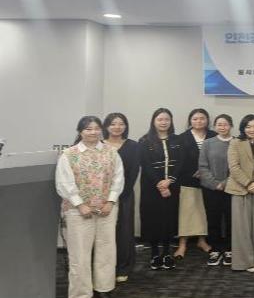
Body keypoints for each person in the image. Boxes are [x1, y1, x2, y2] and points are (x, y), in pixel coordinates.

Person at [56, 116, 124, 298]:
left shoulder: (111, 152)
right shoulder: (69, 154)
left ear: (101, 130)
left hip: (107, 210)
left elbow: (118, 178)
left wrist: (110, 201)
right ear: (80, 132)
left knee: (106, 250)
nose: (93, 132)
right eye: (88, 129)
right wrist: (80, 204)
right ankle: (81, 293)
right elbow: (64, 183)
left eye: (96, 128)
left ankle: (104, 288)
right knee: (79, 254)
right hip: (77, 212)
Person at [139, 108, 183, 271]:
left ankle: (166, 252)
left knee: (169, 219)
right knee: (153, 219)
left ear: (171, 121)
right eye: (160, 119)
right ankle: (154, 253)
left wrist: (169, 181)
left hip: (172, 187)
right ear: (154, 121)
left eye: (167, 119)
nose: (163, 122)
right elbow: (145, 165)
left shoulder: (177, 140)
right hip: (151, 188)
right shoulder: (144, 141)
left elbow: (181, 162)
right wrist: (159, 183)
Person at [225, 114, 254, 272]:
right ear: (243, 128)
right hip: (239, 189)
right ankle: (244, 262)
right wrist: (248, 183)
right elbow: (234, 167)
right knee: (241, 229)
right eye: (248, 126)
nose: (252, 129)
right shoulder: (235, 142)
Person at [102, 113, 140, 283]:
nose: (117, 127)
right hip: (100, 197)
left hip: (125, 195)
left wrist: (119, 194)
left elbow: (133, 172)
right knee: (104, 233)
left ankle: (123, 267)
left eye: (121, 124)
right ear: (106, 126)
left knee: (124, 231)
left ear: (126, 126)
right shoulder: (99, 145)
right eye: (113, 124)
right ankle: (104, 268)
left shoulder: (133, 146)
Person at [174, 108, 216, 259]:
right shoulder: (182, 138)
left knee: (205, 212)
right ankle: (182, 244)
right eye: (195, 118)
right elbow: (178, 160)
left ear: (207, 120)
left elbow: (218, 157)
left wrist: (205, 172)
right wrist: (194, 171)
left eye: (202, 118)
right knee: (187, 213)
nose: (199, 121)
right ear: (190, 121)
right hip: (188, 179)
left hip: (210, 180)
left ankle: (202, 240)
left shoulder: (213, 135)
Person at [198, 114, 234, 267]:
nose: (222, 127)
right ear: (214, 126)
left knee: (231, 220)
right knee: (213, 220)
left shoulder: (237, 142)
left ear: (231, 126)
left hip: (232, 188)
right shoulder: (208, 143)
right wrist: (215, 184)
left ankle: (230, 250)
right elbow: (202, 166)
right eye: (219, 124)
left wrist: (225, 183)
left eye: (225, 124)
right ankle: (215, 250)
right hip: (210, 189)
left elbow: (238, 167)